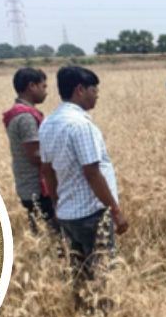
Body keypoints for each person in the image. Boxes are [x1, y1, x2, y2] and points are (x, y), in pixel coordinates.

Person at [39, 66, 127, 278]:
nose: (97, 95)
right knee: (103, 276)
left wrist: (56, 204)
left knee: (80, 275)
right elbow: (92, 173)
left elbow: (47, 170)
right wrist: (116, 212)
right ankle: (102, 311)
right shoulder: (80, 125)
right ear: (80, 90)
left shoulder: (48, 123)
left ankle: (82, 310)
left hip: (68, 214)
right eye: (94, 90)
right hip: (91, 215)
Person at [3, 67, 56, 232]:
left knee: (41, 235)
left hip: (27, 186)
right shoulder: (26, 117)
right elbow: (35, 155)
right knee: (51, 235)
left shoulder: (18, 113)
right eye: (44, 86)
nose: (46, 92)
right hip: (37, 188)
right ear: (32, 86)